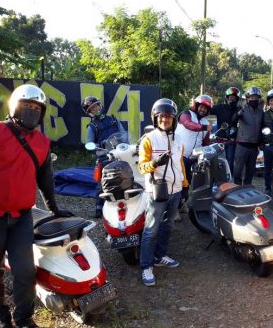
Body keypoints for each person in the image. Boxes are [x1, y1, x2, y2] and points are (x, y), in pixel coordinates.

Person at [0, 84, 73, 328]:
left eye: (37, 108)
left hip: (22, 216)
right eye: (26, 106)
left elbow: (45, 179)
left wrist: (54, 208)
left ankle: (24, 318)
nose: (32, 111)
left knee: (25, 271)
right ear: (14, 106)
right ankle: (0, 319)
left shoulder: (42, 142)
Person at [138, 98, 188, 286]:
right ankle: (146, 266)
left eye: (169, 116)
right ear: (155, 118)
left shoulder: (179, 139)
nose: (165, 119)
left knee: (167, 225)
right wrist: (155, 163)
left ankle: (159, 256)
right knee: (151, 229)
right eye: (161, 116)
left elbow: (180, 163)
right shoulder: (149, 139)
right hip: (157, 190)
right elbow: (142, 167)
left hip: (175, 190)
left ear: (173, 119)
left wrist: (185, 184)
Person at [82, 95, 128, 218]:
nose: (95, 109)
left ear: (100, 105)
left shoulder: (113, 120)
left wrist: (124, 141)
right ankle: (99, 206)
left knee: (127, 176)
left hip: (120, 153)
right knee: (103, 182)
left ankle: (127, 203)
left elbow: (124, 134)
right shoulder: (92, 126)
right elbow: (89, 145)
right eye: (92, 108)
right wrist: (100, 145)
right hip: (104, 156)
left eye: (96, 105)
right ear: (90, 113)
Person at [175, 94, 213, 186]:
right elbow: (188, 124)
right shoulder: (186, 114)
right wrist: (204, 127)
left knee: (192, 185)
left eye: (205, 108)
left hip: (194, 159)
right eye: (201, 107)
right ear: (196, 105)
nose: (203, 110)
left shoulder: (206, 122)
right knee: (178, 183)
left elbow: (206, 142)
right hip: (180, 157)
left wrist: (207, 153)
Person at [232, 87, 265, 186]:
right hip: (242, 144)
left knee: (250, 171)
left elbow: (262, 127)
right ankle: (237, 187)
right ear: (247, 98)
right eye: (252, 97)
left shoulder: (261, 112)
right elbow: (233, 121)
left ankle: (247, 187)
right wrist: (237, 115)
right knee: (238, 170)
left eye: (256, 97)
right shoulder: (242, 108)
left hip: (254, 147)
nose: (254, 99)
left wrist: (261, 142)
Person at [210, 87, 241, 172]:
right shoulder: (219, 107)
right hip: (219, 139)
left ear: (237, 99)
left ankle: (229, 178)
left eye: (234, 98)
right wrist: (210, 124)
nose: (232, 99)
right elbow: (208, 111)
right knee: (216, 161)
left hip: (232, 140)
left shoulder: (239, 109)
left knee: (230, 161)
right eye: (230, 97)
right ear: (227, 98)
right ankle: (216, 177)